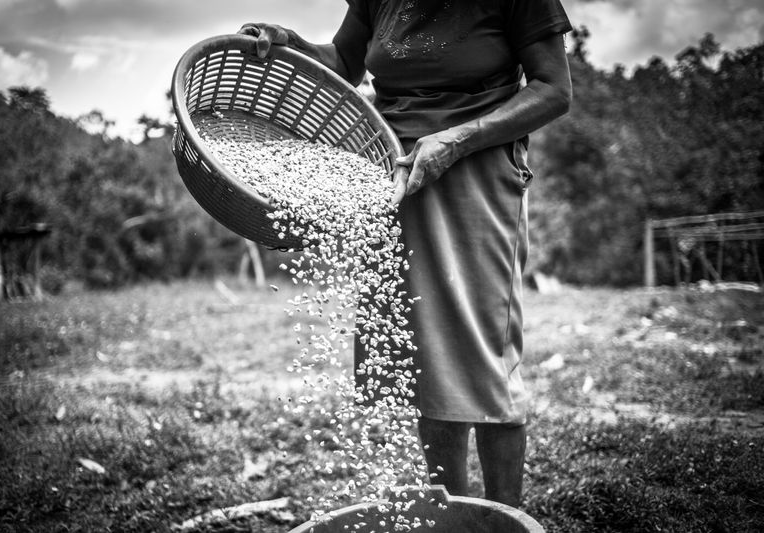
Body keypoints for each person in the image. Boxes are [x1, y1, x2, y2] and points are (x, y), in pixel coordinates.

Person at [240, 0, 572, 508]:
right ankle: (453, 512)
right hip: (392, 167)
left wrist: (457, 140)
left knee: (484, 351)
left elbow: (553, 89)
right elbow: (344, 61)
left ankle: (503, 516)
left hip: (476, 163)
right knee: (427, 355)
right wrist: (293, 45)